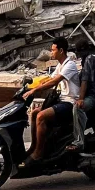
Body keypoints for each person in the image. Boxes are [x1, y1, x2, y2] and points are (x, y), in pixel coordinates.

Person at [19, 37, 80, 169]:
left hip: (70, 103)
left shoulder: (69, 65)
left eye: (53, 50)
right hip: (61, 100)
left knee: (41, 116)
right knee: (35, 113)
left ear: (61, 51)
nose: (51, 53)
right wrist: (31, 86)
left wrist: (35, 90)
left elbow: (54, 82)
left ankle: (39, 153)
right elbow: (48, 79)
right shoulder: (60, 65)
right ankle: (34, 147)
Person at [67, 46, 95, 152]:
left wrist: (81, 99)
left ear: (84, 50)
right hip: (92, 94)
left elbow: (85, 81)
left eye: (78, 51)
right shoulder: (85, 61)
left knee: (77, 108)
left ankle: (79, 141)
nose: (77, 54)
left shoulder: (89, 59)